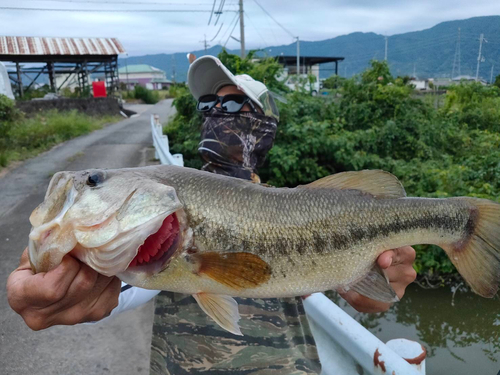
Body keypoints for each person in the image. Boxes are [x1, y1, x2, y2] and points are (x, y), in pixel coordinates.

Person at [7, 55, 417, 374]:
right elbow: (118, 292)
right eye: (209, 103)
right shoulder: (163, 216)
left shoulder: (301, 209)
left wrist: (379, 286)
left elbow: (360, 290)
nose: (218, 112)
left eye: (236, 102)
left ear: (265, 123)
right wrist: (64, 290)